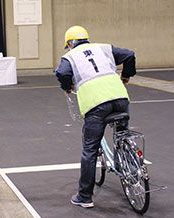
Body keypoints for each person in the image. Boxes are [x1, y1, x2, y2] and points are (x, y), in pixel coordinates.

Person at [55, 26, 136, 208]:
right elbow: (129, 55)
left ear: (70, 43)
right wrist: (126, 76)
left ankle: (84, 197)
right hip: (120, 97)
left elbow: (61, 73)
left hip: (96, 104)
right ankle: (131, 168)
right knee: (123, 135)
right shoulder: (104, 48)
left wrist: (67, 86)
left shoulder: (69, 57)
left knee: (90, 150)